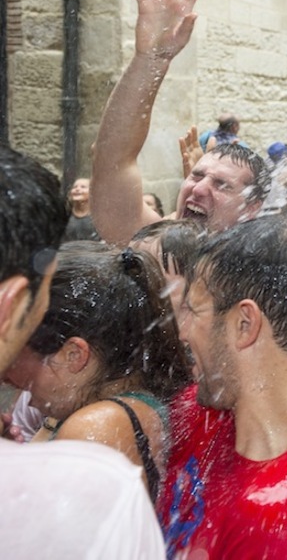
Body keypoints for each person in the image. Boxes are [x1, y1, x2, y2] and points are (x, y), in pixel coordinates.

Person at [160, 215, 287, 558]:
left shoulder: (286, 512)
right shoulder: (208, 412)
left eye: (193, 311)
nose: (182, 331)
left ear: (245, 324)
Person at [0, 146, 166, 557]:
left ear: (74, 356)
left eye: (23, 352)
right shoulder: (104, 406)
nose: (8, 379)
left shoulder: (96, 428)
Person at [90, 0, 270, 244]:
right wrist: (151, 59)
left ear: (251, 208)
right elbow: (112, 160)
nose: (198, 190)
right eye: (197, 176)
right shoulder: (153, 247)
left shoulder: (260, 273)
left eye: (222, 185)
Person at [7, 245, 190, 502]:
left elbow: (40, 536)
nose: (6, 372)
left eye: (17, 350)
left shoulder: (96, 428)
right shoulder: (108, 410)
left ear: (73, 355)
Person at [63, 177, 100, 242]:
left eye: (83, 187)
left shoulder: (101, 218)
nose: (77, 189)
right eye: (74, 187)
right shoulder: (63, 216)